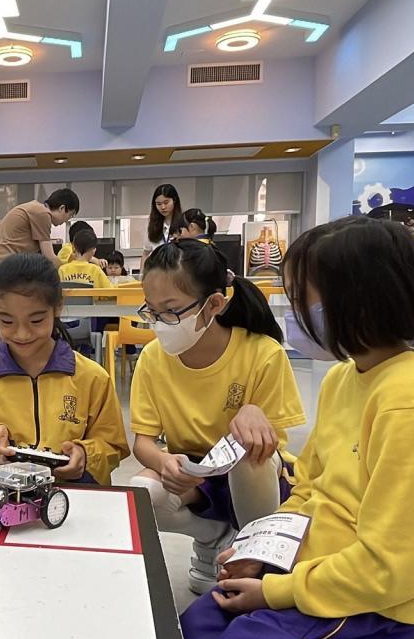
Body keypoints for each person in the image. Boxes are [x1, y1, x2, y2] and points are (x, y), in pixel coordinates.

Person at [181, 217, 414, 639]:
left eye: (302, 299)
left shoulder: (411, 405)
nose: (294, 313)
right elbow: (309, 487)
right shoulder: (345, 377)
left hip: (366, 607)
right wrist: (261, 553)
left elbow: (395, 568)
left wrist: (276, 592)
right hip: (308, 571)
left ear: (357, 301)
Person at [127, 238, 303, 594]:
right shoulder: (152, 359)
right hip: (193, 473)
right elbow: (143, 443)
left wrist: (253, 415)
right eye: (151, 311)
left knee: (249, 454)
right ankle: (214, 540)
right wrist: (164, 462)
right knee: (141, 494)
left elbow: (269, 444)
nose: (159, 323)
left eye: (171, 311)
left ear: (214, 304)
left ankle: (252, 553)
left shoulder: (262, 353)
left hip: (256, 475)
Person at [0, 253, 129, 485]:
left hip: (71, 495)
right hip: (0, 496)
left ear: (57, 308)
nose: (22, 334)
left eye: (36, 321)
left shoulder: (92, 378)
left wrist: (85, 455)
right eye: (7, 321)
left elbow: (112, 445)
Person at [0, 188, 79, 277]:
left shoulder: (36, 209)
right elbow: (49, 256)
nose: (67, 220)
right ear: (62, 208)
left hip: (0, 268)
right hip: (5, 270)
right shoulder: (42, 214)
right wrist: (69, 272)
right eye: (70, 215)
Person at [144, 183, 183, 255]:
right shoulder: (151, 224)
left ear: (174, 200)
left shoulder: (183, 223)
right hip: (156, 262)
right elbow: (146, 254)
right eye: (158, 204)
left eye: (166, 203)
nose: (163, 207)